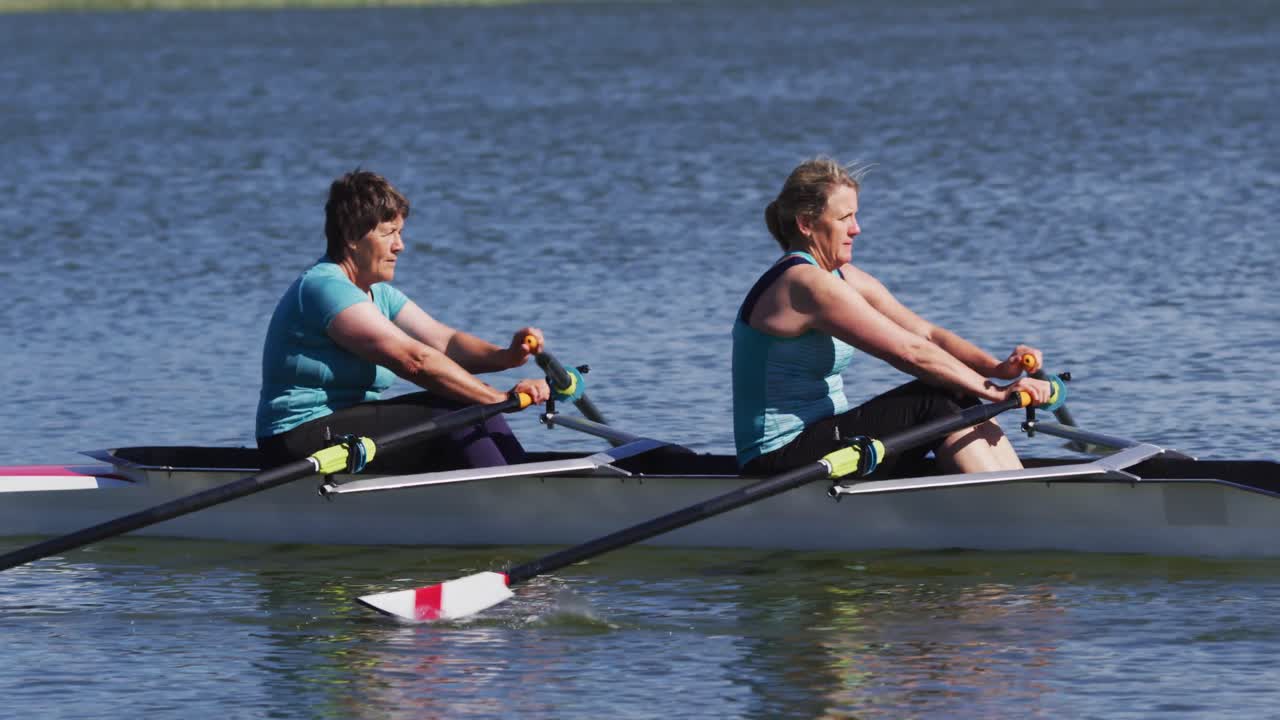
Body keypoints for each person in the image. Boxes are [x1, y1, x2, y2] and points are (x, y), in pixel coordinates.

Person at [733, 157, 1052, 477]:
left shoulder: (841, 276)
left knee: (960, 392)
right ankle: (1010, 507)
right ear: (806, 224)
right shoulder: (806, 284)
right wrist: (996, 392)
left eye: (855, 216)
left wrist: (996, 369)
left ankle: (1017, 489)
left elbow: (927, 335)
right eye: (845, 218)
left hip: (824, 437)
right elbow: (910, 352)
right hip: (779, 456)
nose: (856, 229)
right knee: (935, 401)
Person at [255, 169, 550, 474]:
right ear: (352, 237)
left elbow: (444, 343)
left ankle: (522, 482)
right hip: (296, 441)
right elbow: (414, 361)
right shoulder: (324, 289)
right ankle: (517, 504)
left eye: (400, 232)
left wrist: (506, 356)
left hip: (346, 429)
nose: (400, 245)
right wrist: (497, 398)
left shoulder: (378, 294)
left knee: (471, 403)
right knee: (464, 407)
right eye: (389, 233)